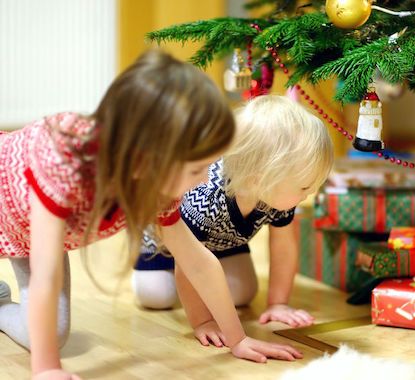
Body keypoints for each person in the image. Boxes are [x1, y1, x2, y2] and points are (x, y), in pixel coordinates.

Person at [0, 51, 300, 380]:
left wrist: (237, 338)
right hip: (13, 211)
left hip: (28, 235)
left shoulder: (156, 188)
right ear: (147, 160)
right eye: (198, 169)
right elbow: (46, 273)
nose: (205, 179)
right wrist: (46, 370)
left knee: (51, 333)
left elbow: (197, 262)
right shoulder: (64, 164)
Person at [132, 95, 334, 345]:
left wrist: (278, 303)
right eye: (305, 186)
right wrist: (203, 321)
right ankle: (155, 272)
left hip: (222, 244)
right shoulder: (207, 195)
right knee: (157, 296)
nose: (310, 193)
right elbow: (189, 262)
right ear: (260, 179)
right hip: (169, 245)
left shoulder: (278, 195)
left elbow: (284, 247)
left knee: (242, 292)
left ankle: (202, 287)